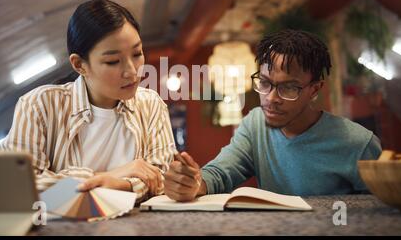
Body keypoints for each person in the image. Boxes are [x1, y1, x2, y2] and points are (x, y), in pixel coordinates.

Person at [164, 29, 382, 201]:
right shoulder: (255, 124)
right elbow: (222, 172)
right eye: (265, 83)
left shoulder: (359, 144)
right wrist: (194, 183)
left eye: (288, 88)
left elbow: (379, 219)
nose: (271, 98)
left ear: (314, 89)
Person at [0, 0, 175, 203]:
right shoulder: (40, 105)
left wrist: (121, 184)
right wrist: (110, 177)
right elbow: (17, 186)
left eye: (137, 53)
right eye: (113, 61)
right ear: (79, 65)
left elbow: (161, 178)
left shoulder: (151, 104)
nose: (132, 71)